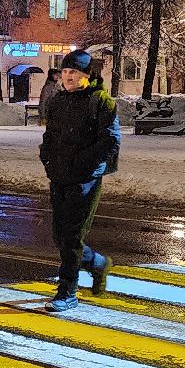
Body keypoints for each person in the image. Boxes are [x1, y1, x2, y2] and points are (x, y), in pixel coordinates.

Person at [37, 50, 119, 312]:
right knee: (61, 237)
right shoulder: (59, 102)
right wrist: (47, 160)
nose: (68, 77)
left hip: (85, 178)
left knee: (72, 237)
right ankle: (96, 263)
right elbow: (49, 137)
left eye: (74, 72)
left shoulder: (101, 102)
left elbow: (111, 141)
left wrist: (84, 163)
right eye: (65, 72)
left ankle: (67, 291)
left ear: (86, 75)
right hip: (59, 175)